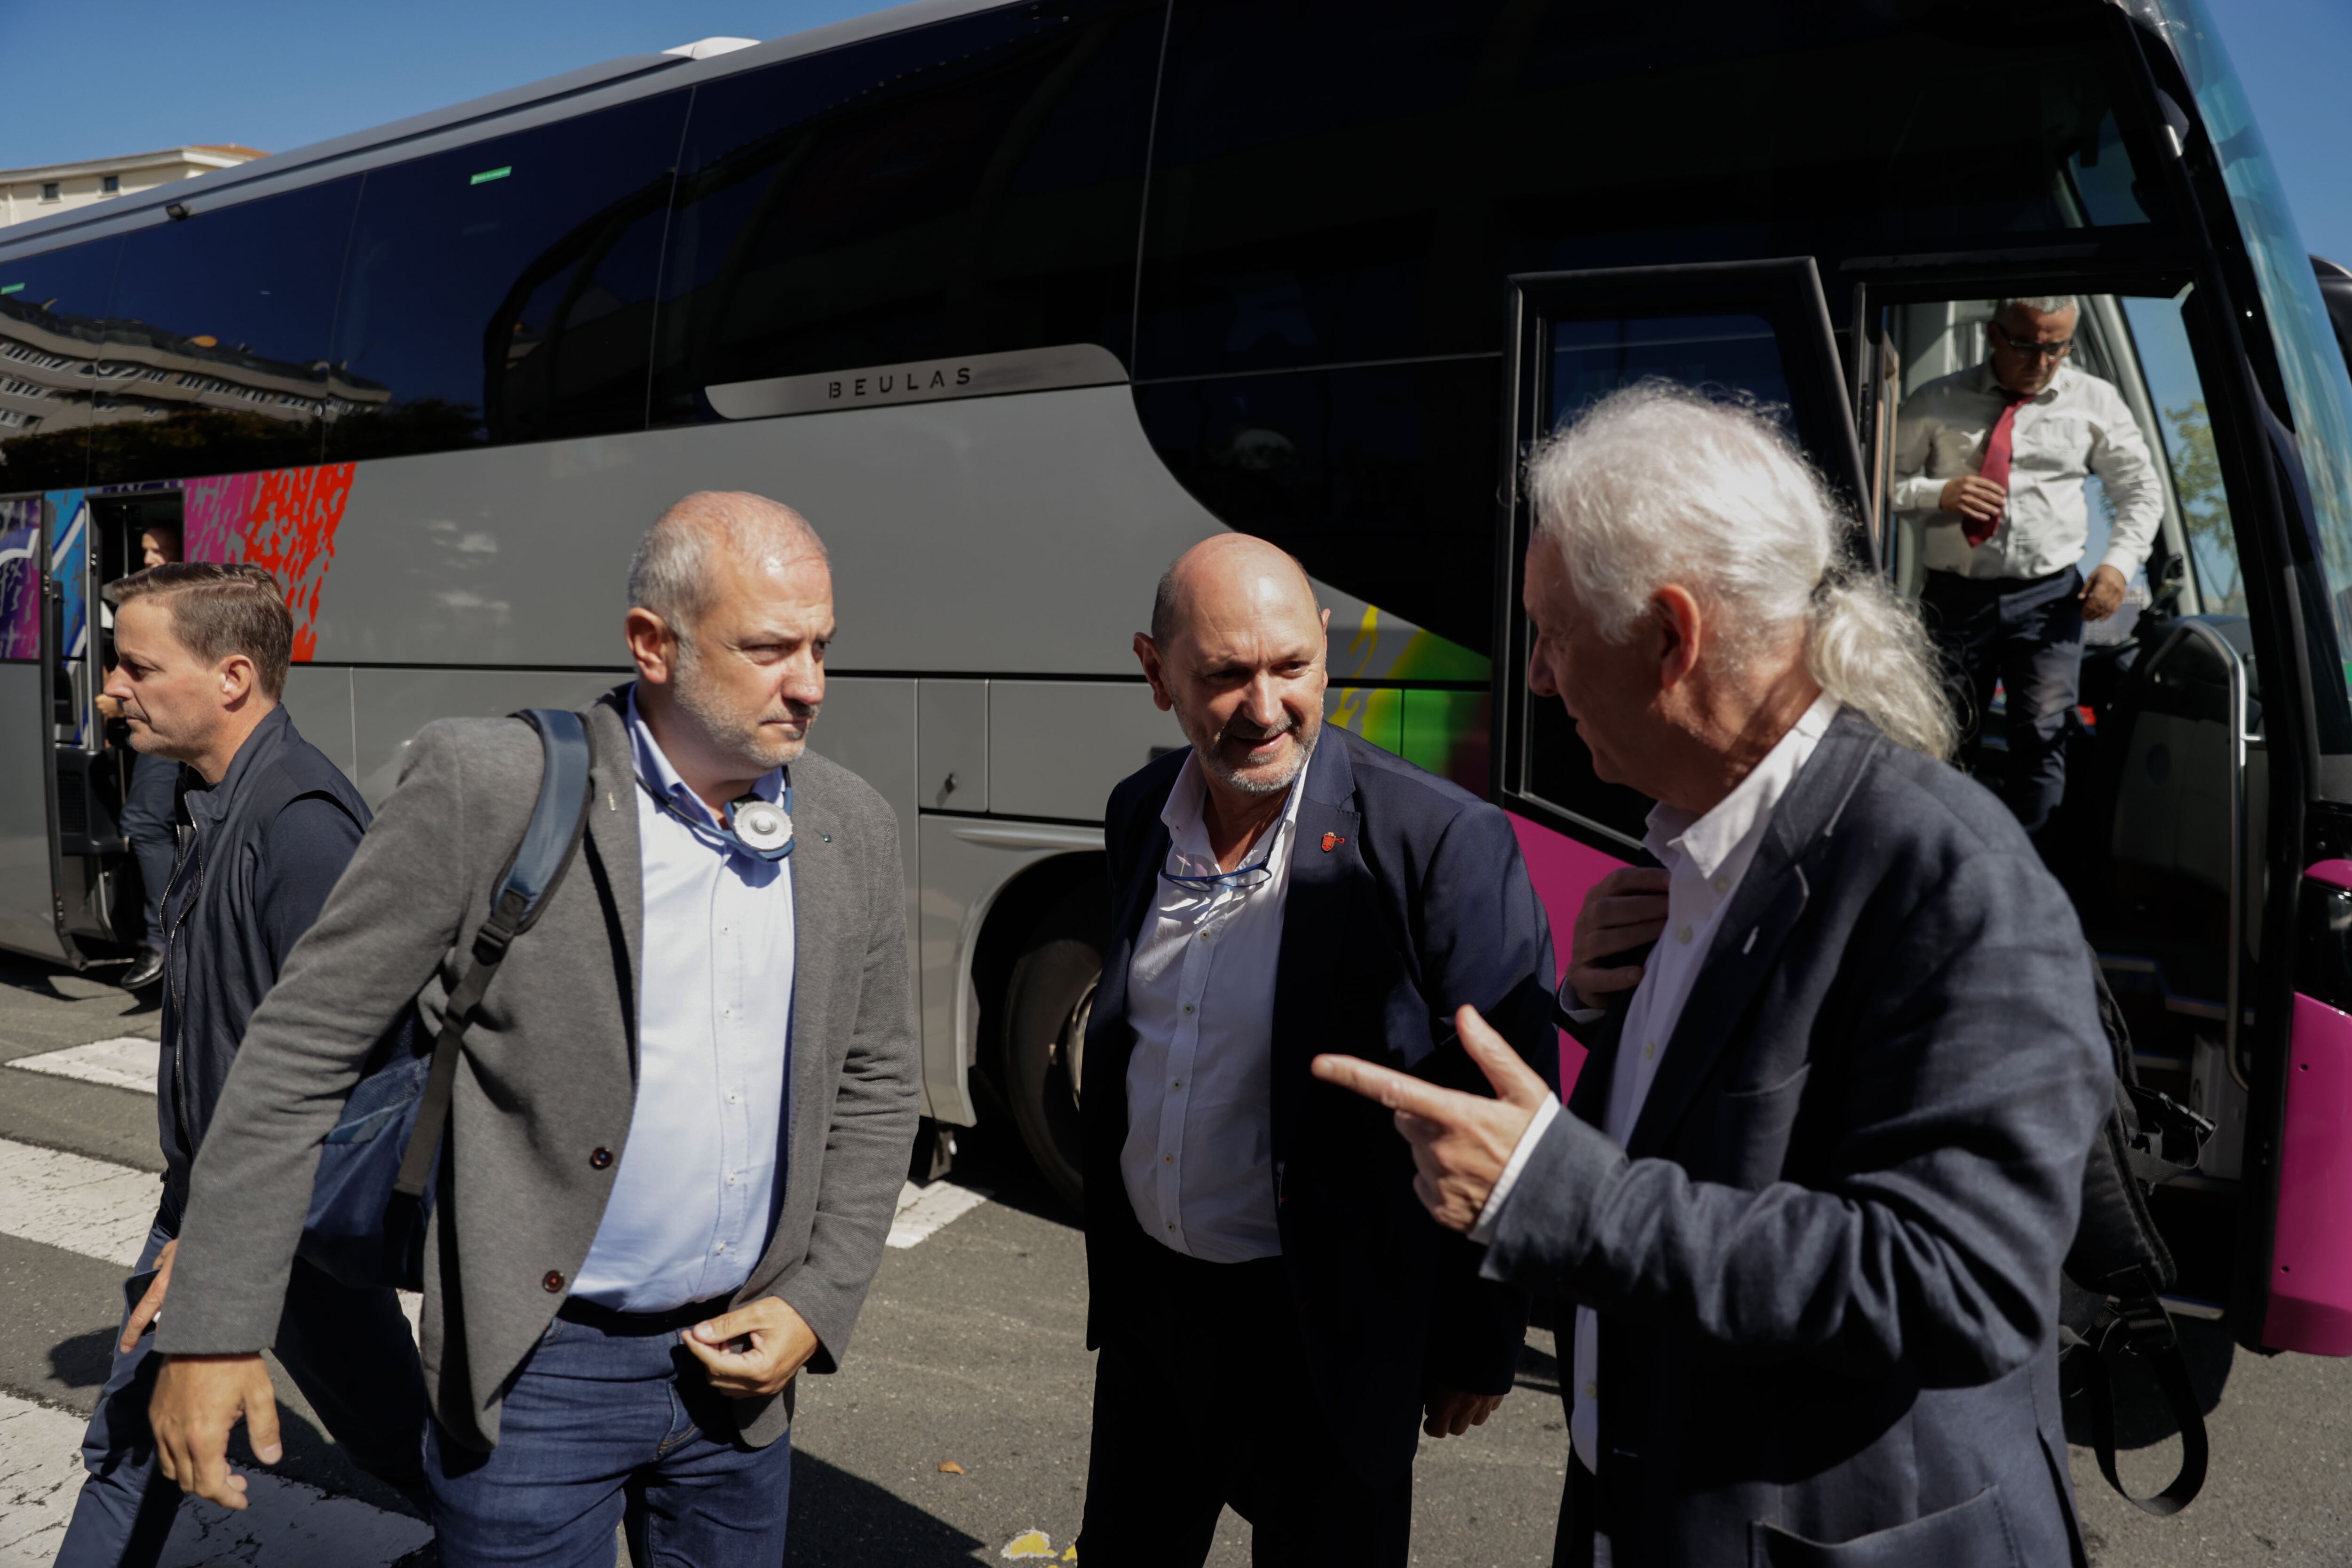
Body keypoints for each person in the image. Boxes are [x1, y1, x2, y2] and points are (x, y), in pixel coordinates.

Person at [1312, 386, 2112, 1567]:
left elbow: (1962, 1283)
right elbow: (1730, 1136)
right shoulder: (1700, 844)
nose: (1536, 676)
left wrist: (1559, 1194)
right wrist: (1603, 1016)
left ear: (1672, 636)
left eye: (1552, 631)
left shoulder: (1948, 872)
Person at [144, 493, 921, 1568]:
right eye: (769, 649)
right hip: (536, 1364)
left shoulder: (850, 826)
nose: (811, 685)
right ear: (653, 644)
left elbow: (879, 1081)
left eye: (821, 647)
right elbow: (300, 1047)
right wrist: (219, 1324)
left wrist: (818, 1296)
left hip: (745, 1366)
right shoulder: (493, 785)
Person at [1078, 534, 1557, 1567]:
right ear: (1154, 672)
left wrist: (1480, 1338)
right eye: (1222, 675)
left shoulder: (1438, 841)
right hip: (1156, 1322)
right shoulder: (1137, 814)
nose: (1264, 707)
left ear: (1326, 650)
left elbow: (1508, 1105)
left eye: (1289, 667)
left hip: (1325, 1331)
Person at [61, 561, 430, 1568]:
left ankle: (509, 1540)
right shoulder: (225, 798)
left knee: (139, 1445)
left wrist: (224, 1231)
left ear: (231, 677)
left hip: (256, 1204)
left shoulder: (303, 826)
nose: (111, 689)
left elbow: (356, 1061)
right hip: (231, 1198)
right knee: (390, 1432)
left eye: (137, 666)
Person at [1891, 294, 2164, 836]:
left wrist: (2115, 567)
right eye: (2026, 346)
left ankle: (2032, 884)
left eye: (2056, 349)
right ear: (1994, 335)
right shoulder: (1935, 400)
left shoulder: (2095, 401)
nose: (2041, 363)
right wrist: (1936, 494)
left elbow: (2140, 490)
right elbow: (1876, 485)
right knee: (1941, 740)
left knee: (2044, 739)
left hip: (2049, 599)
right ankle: (1949, 874)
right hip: (1954, 598)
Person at [111, 523, 186, 991]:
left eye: (159, 550)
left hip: (166, 722)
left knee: (144, 822)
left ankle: (162, 943)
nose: (151, 559)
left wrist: (116, 701)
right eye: (147, 551)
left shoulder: (174, 603)